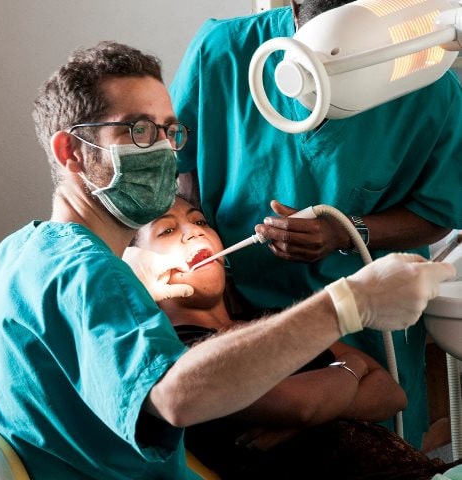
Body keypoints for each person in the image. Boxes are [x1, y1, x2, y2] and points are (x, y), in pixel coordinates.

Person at [0, 41, 455, 480]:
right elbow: (176, 397)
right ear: (72, 152)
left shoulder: (10, 263)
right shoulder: (90, 274)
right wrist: (349, 303)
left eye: (171, 131)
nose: (165, 150)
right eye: (139, 130)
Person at [169, 0, 462, 448]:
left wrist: (349, 232)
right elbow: (176, 173)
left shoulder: (426, 82)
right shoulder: (223, 54)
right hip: (241, 314)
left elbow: (438, 211)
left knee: (372, 447)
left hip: (365, 328)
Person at [129, 195, 461, 479]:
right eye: (168, 230)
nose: (193, 232)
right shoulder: (182, 355)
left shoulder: (273, 320)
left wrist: (323, 406)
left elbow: (391, 394)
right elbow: (299, 406)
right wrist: (352, 369)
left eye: (199, 221)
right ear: (138, 272)